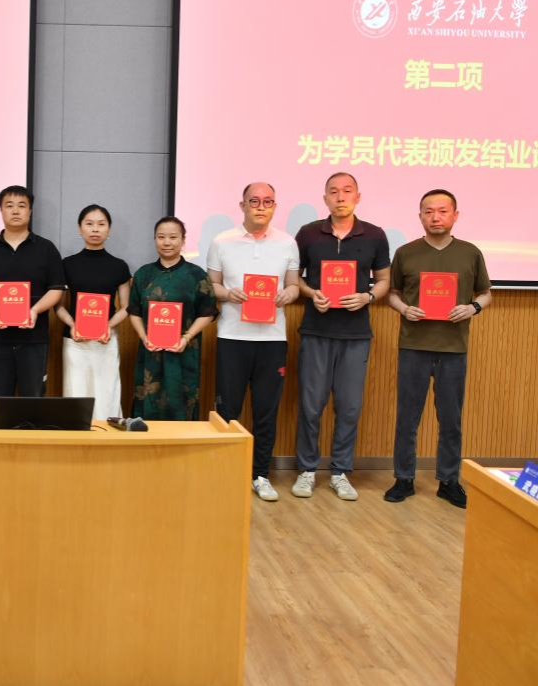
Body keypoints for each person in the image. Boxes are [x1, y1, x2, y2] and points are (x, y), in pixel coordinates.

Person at [385, 189, 492, 509]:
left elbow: (486, 293)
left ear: (455, 215)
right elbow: (392, 293)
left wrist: (472, 308)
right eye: (428, 211)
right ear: (420, 216)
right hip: (413, 345)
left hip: (453, 347)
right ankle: (404, 478)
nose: (435, 217)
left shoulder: (470, 253)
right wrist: (404, 309)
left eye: (443, 211)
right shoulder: (406, 252)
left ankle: (449, 480)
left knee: (451, 419)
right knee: (407, 417)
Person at [291, 172, 391, 501]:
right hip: (316, 331)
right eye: (333, 192)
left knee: (349, 408)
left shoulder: (374, 235)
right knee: (311, 406)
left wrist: (368, 297)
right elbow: (294, 278)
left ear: (357, 197)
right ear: (325, 198)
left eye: (347, 191)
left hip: (356, 334)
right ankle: (307, 470)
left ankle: (340, 472)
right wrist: (311, 293)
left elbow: (384, 280)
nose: (340, 197)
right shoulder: (308, 234)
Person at [206, 183, 299, 501]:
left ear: (275, 206)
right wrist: (228, 293)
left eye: (268, 201)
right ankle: (224, 472)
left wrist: (288, 294)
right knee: (227, 409)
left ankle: (260, 474)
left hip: (272, 340)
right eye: (254, 201)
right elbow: (212, 285)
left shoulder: (287, 242)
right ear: (242, 205)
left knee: (266, 411)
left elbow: (293, 286)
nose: (261, 207)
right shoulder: (222, 241)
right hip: (232, 337)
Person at [0, 185, 66, 413]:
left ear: (30, 211)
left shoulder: (46, 249)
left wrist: (34, 310)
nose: (15, 211)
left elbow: (56, 289)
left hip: (34, 338)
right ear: (1, 210)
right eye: (9, 205)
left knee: (34, 401)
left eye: (22, 206)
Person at [128, 217, 216, 420]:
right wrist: (144, 337)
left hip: (184, 351)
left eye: (173, 237)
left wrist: (187, 337)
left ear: (183, 240)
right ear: (155, 239)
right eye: (161, 237)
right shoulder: (143, 274)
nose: (167, 242)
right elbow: (134, 311)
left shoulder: (196, 275)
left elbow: (208, 312)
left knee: (182, 404)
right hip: (150, 353)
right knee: (148, 404)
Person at [56, 204, 131, 420]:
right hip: (75, 340)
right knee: (75, 392)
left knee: (107, 394)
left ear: (109, 229)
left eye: (101, 224)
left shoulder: (119, 266)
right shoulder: (67, 264)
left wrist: (107, 326)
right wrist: (73, 325)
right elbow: (58, 306)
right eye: (89, 224)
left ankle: (108, 436)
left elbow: (126, 307)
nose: (95, 229)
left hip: (105, 340)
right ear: (80, 228)